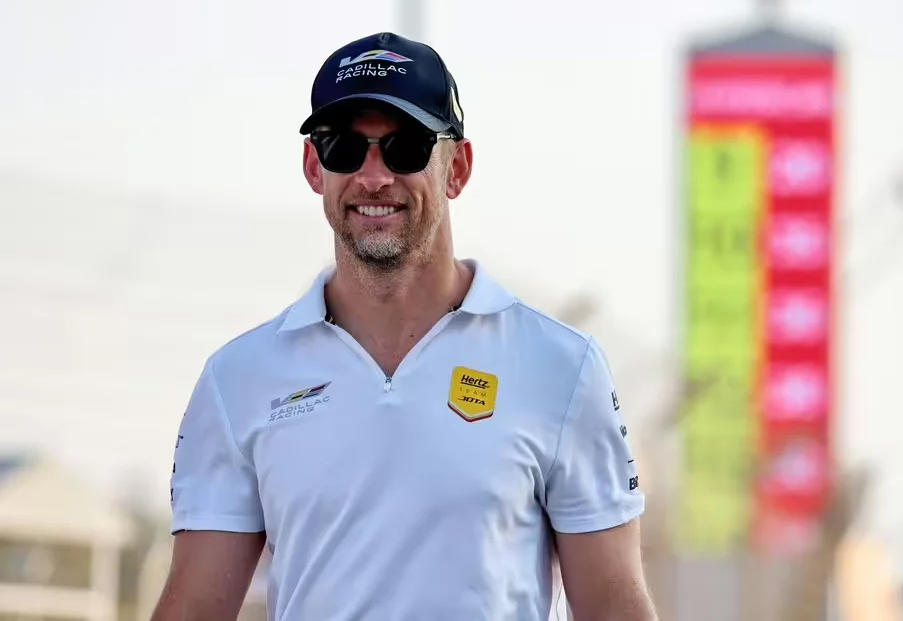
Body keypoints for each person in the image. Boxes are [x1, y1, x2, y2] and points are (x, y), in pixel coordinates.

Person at [151, 31, 657, 621]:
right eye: (344, 147)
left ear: (457, 168)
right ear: (315, 167)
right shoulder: (237, 379)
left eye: (406, 148)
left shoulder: (562, 368)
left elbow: (615, 609)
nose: (373, 176)